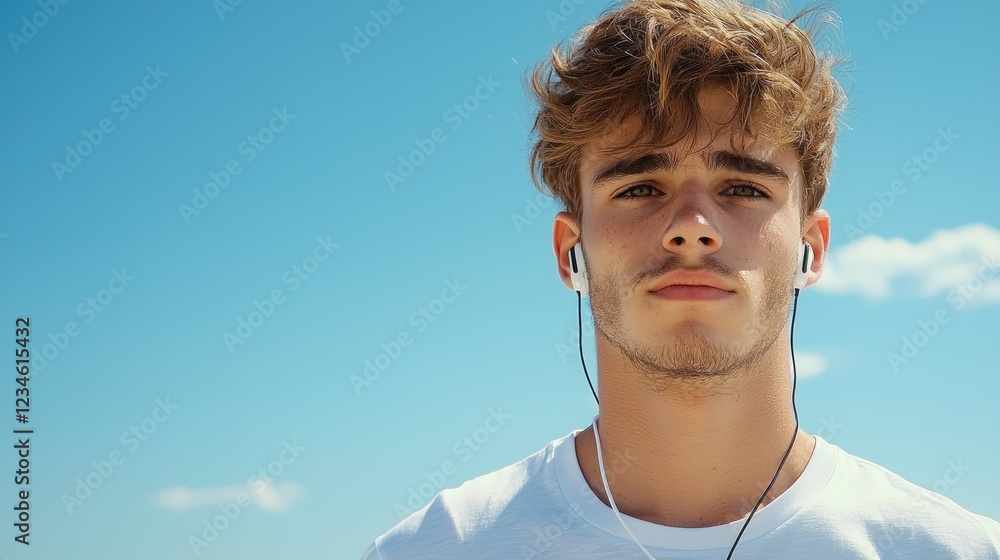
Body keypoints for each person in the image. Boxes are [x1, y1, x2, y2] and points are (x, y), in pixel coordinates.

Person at [358, 0, 1000, 558]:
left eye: (744, 187)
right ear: (569, 252)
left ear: (811, 246)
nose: (693, 227)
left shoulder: (955, 549)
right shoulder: (431, 549)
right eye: (640, 186)